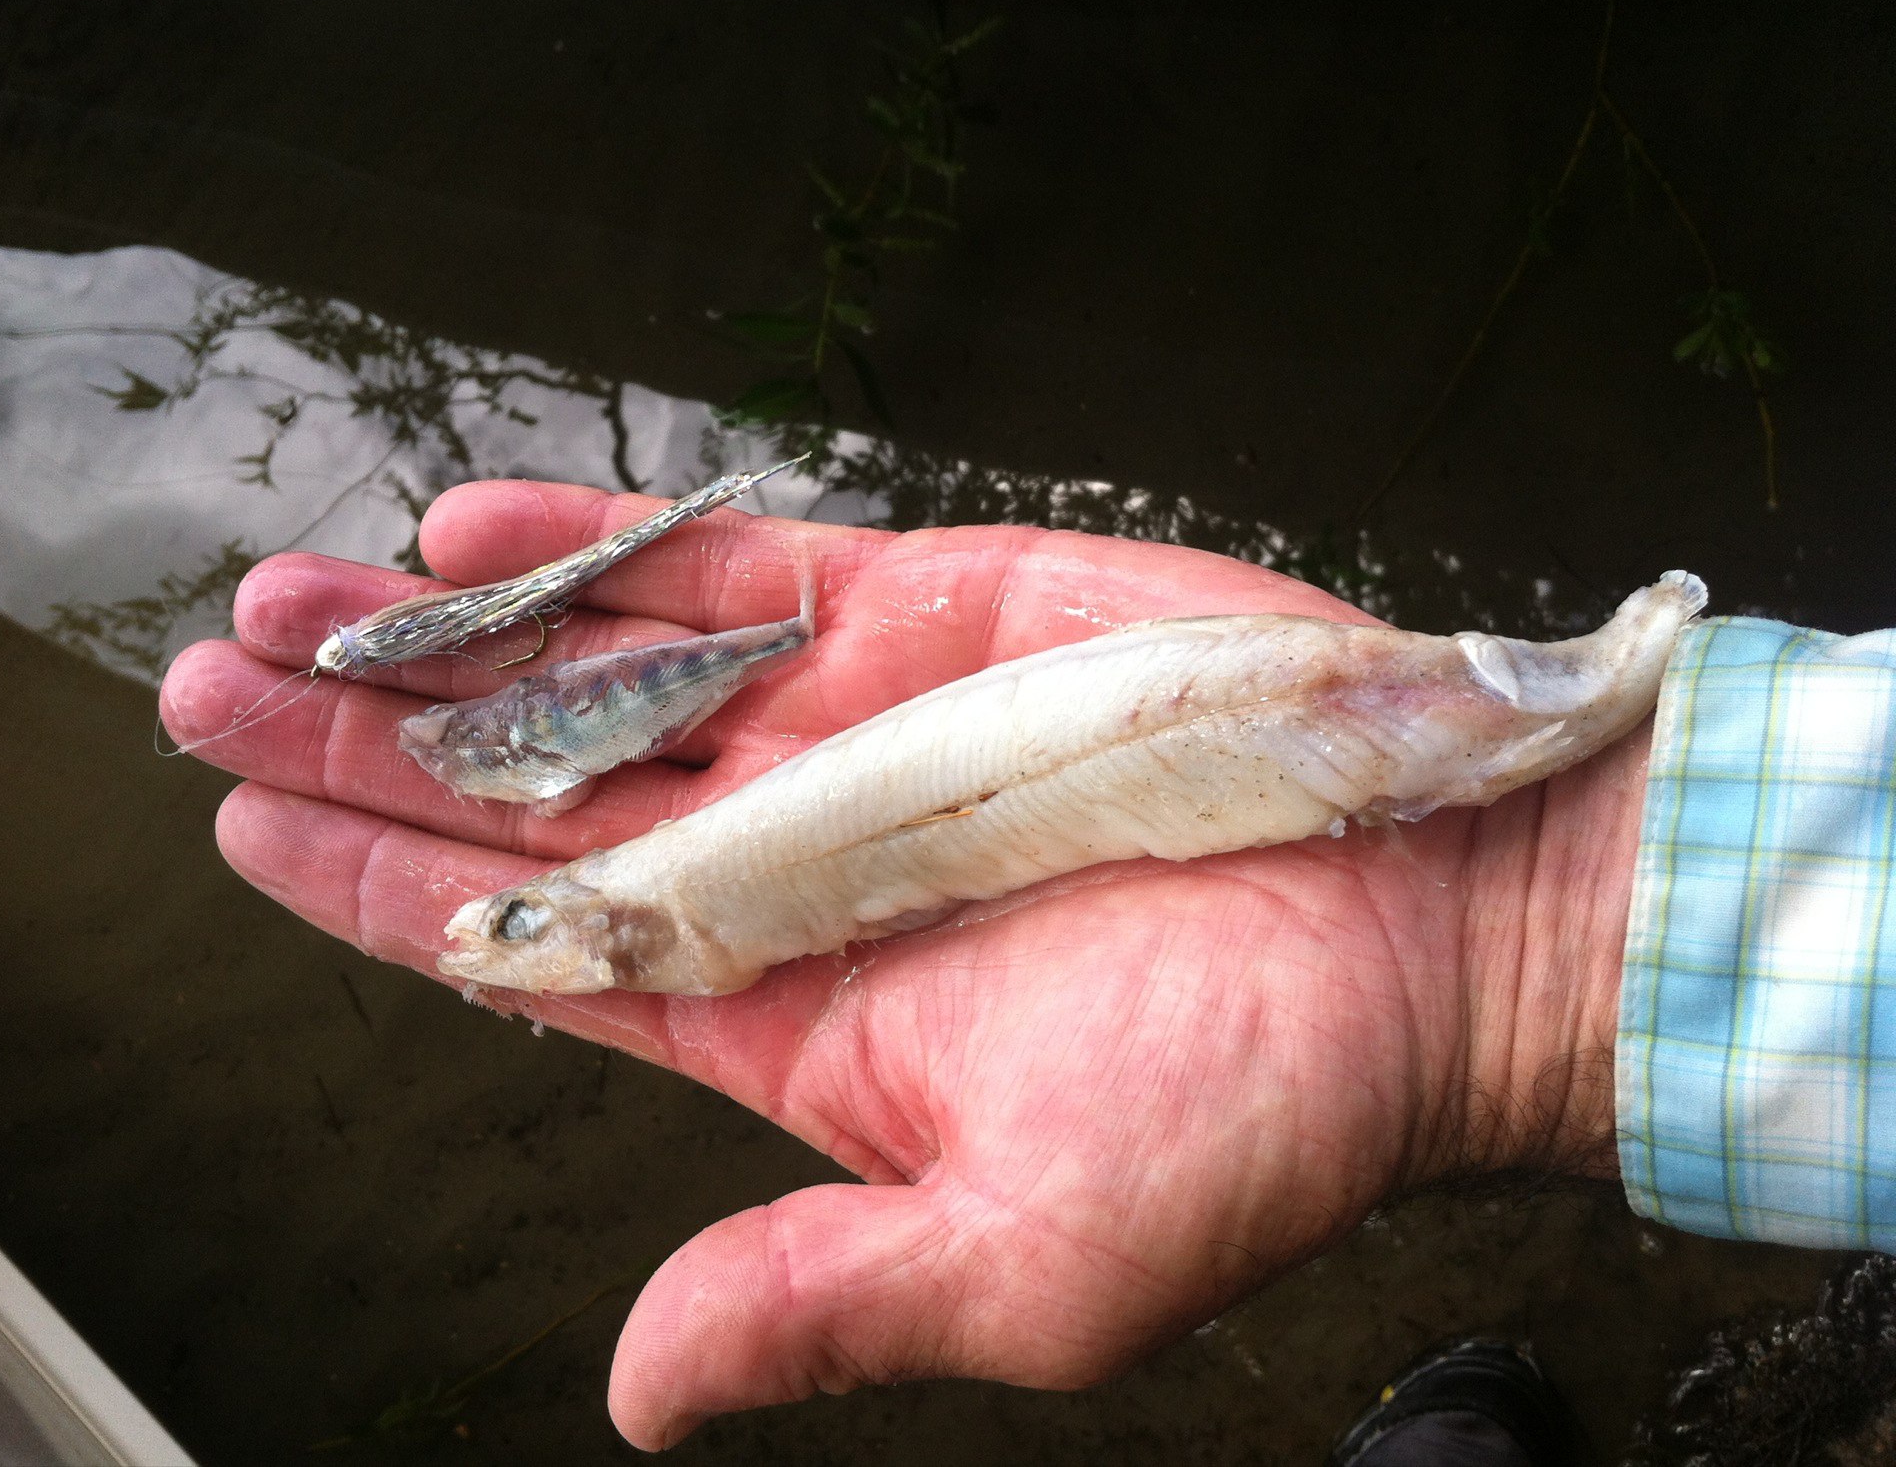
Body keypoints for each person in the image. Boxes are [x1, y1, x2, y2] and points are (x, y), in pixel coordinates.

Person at [158, 480, 1896, 1454]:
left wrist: (1565, 905)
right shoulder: (672, 910)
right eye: (526, 935)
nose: (505, 944)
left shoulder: (657, 911)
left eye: (524, 929)